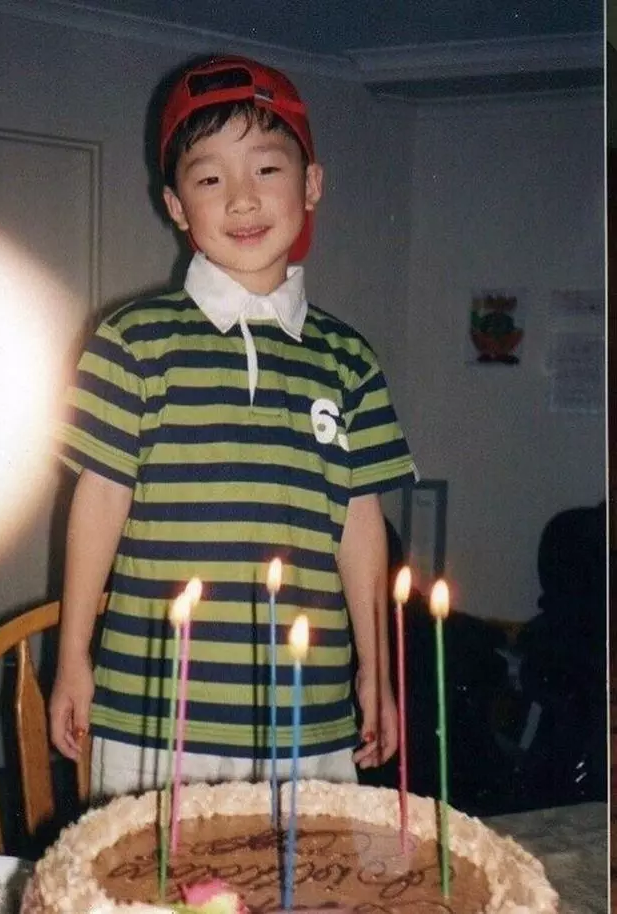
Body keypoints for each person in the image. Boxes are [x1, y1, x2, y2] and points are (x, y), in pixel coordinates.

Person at [49, 54, 418, 798]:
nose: (243, 199)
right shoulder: (132, 342)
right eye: (210, 178)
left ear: (311, 184)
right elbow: (99, 501)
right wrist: (72, 655)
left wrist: (375, 669)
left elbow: (360, 523)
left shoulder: (348, 358)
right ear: (177, 206)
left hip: (309, 719)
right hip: (151, 717)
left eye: (267, 169)